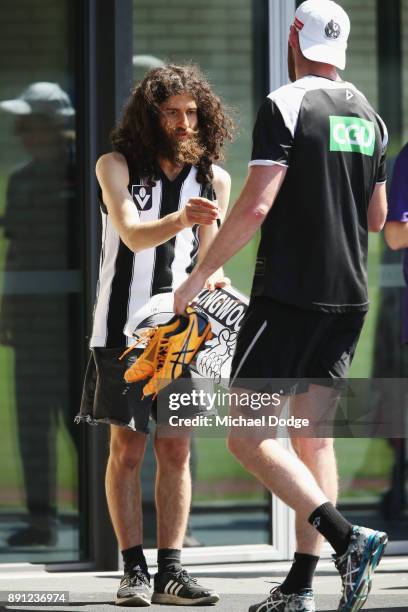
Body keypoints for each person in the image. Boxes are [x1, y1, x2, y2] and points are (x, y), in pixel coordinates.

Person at [174, 2, 388, 611]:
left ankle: (348, 539)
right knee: (314, 440)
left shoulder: (287, 103)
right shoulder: (369, 115)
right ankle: (298, 588)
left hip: (291, 296)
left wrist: (200, 275)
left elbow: (258, 204)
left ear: (295, 35)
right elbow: (374, 218)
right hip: (349, 298)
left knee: (246, 438)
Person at [75, 64, 233, 607]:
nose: (184, 123)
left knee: (177, 451)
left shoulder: (213, 177)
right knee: (127, 450)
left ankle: (171, 571)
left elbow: (210, 261)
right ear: (150, 115)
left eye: (192, 112)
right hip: (122, 330)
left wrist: (217, 278)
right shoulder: (114, 165)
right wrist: (182, 219)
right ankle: (132, 570)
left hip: (182, 335)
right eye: (172, 113)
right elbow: (132, 233)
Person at [0, 82, 78, 548]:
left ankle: (102, 516)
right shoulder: (21, 179)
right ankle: (41, 519)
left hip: (73, 325)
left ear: (53, 126)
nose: (21, 131)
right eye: (20, 124)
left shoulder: (81, 174)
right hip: (31, 323)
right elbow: (15, 250)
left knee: (78, 420)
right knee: (31, 422)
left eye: (29, 123)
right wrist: (7, 306)